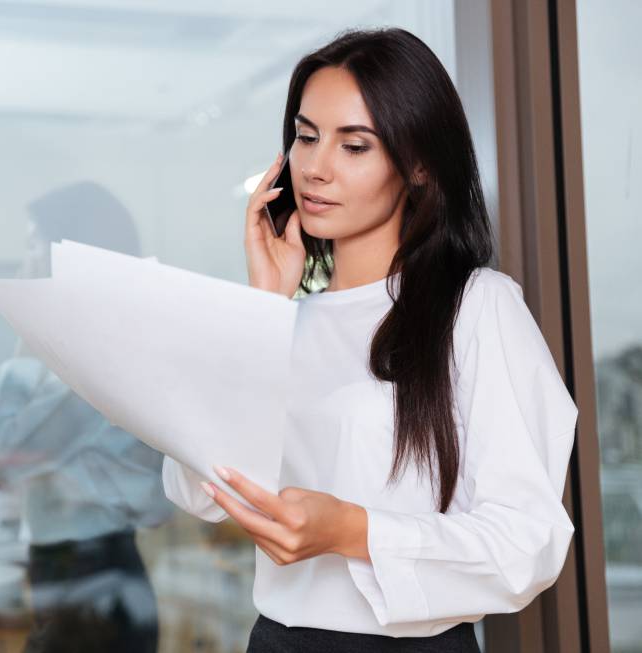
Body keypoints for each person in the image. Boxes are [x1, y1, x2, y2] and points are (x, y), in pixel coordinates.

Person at [162, 28, 578, 652]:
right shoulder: (279, 321)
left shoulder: (476, 307)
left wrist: (353, 531)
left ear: (415, 166)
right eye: (305, 136)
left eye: (353, 146)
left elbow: (530, 542)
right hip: (277, 640)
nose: (315, 167)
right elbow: (195, 491)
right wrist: (261, 308)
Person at [0, 181, 174, 653]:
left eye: (32, 244)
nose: (24, 260)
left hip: (91, 582)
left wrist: (31, 331)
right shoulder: (87, 355)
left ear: (66, 254)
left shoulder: (96, 362)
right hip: (81, 575)